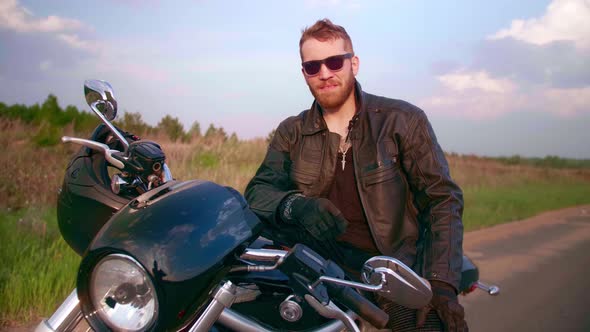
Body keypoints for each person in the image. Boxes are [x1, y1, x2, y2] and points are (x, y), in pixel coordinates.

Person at [245, 18, 467, 332]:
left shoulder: (402, 120)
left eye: (335, 62)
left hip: (387, 270)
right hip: (315, 266)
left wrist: (441, 283)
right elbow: (258, 192)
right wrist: (297, 206)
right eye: (313, 66)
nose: (324, 73)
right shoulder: (291, 131)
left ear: (354, 64)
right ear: (304, 73)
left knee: (434, 326)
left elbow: (442, 200)